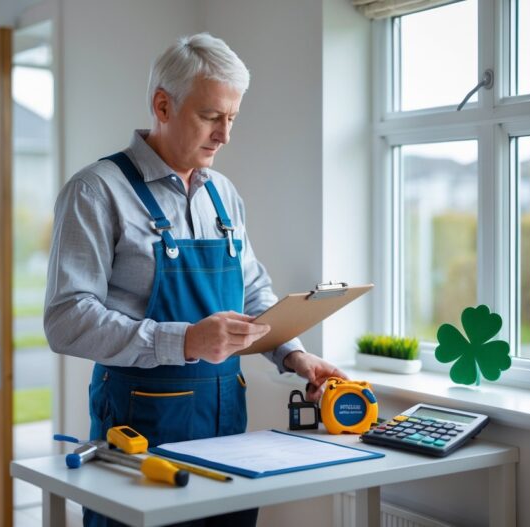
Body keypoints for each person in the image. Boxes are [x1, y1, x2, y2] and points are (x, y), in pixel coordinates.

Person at [44, 33, 346, 526]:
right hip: (139, 432)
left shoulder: (223, 194)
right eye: (211, 116)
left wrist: (294, 354)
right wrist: (183, 340)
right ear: (163, 105)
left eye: (232, 119)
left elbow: (253, 292)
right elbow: (66, 320)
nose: (225, 135)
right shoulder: (96, 191)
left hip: (228, 427)